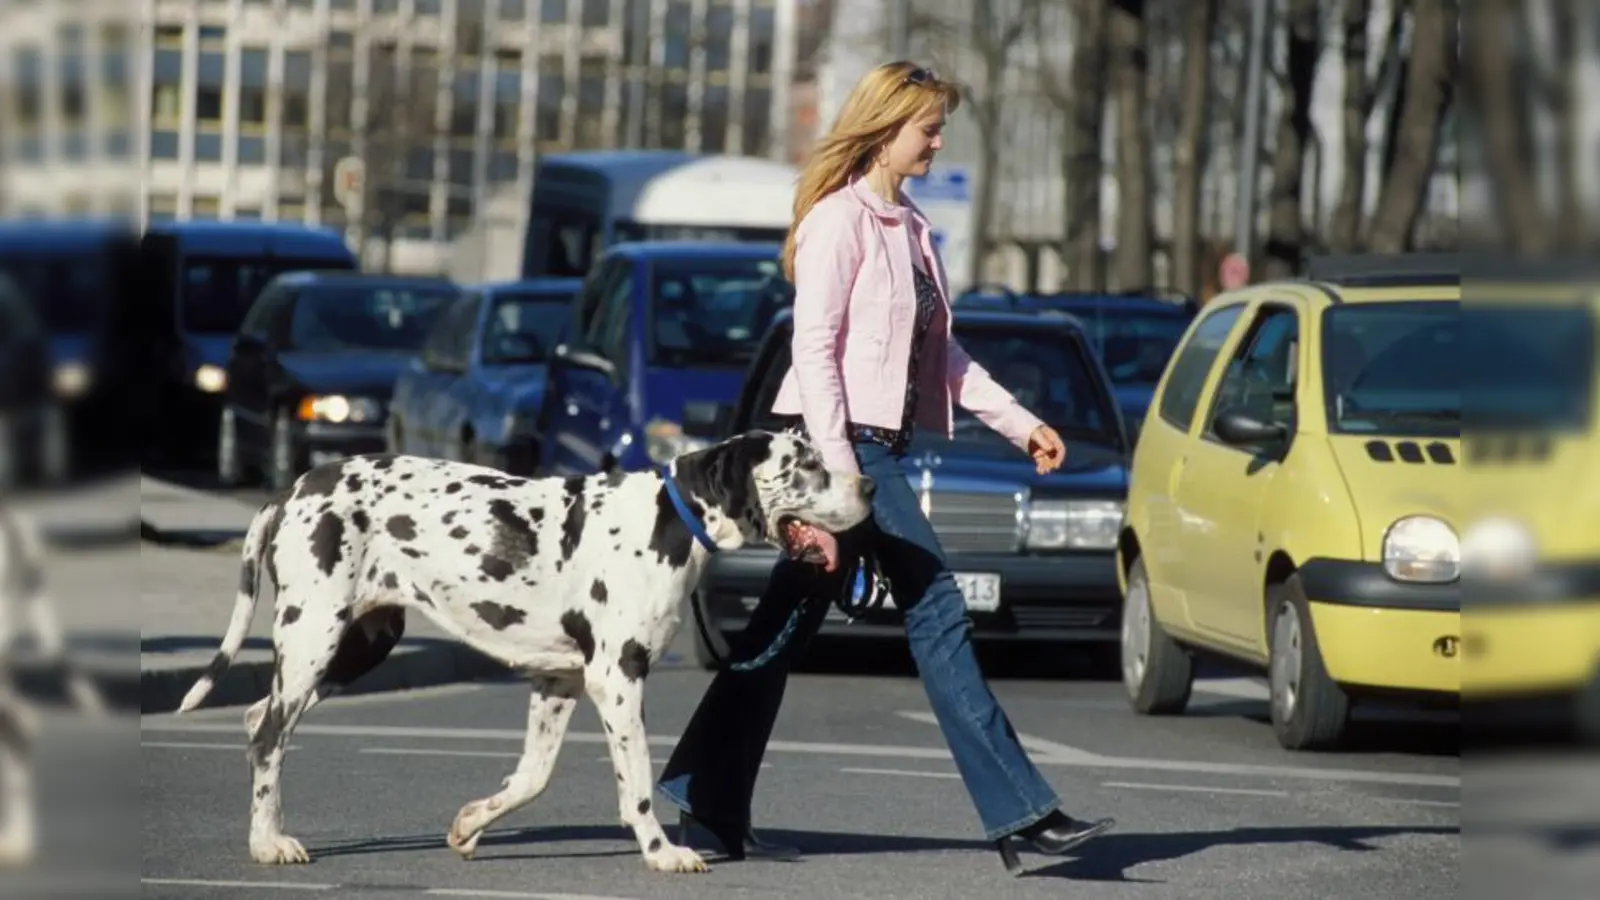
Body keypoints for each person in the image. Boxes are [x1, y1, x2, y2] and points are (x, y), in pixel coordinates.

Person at [655, 60, 1116, 873]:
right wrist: (837, 488)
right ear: (885, 129)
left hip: (869, 449)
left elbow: (946, 359)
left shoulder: (912, 230)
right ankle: (1022, 816)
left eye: (940, 127)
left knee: (783, 625)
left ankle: (705, 800)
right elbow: (817, 355)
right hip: (839, 445)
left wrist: (1023, 425)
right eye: (928, 128)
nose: (938, 141)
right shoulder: (839, 221)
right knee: (936, 605)